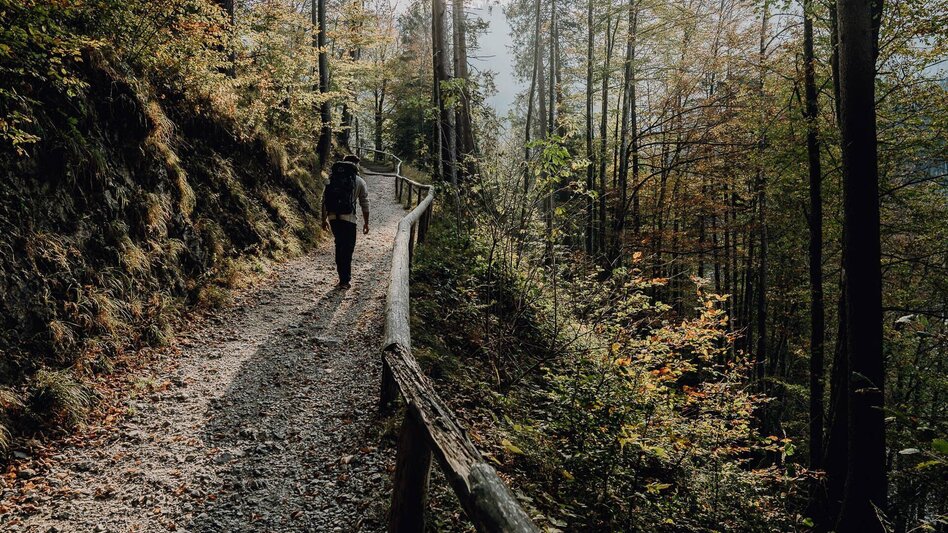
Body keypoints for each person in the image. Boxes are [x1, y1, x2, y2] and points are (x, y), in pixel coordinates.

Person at [321, 154, 369, 289]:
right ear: (356, 165)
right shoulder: (359, 181)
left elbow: (324, 200)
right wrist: (366, 222)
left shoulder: (332, 178)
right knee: (347, 249)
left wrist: (323, 219)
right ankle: (344, 280)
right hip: (349, 219)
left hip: (333, 217)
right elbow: (365, 203)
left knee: (339, 244)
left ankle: (341, 276)